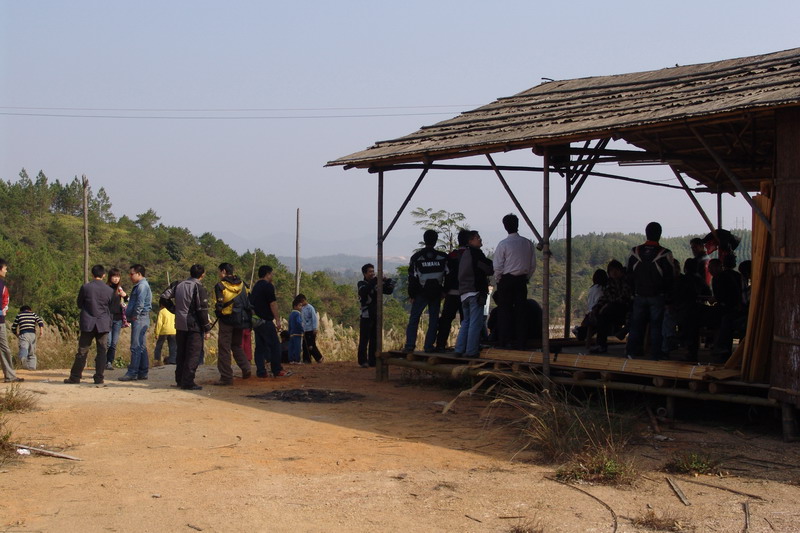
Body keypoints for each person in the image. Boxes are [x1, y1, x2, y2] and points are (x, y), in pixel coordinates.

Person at [626, 222, 675, 360]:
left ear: (646, 233)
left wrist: (632, 292)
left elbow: (628, 275)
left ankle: (631, 353)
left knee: (636, 326)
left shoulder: (635, 252)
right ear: (659, 235)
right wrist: (669, 299)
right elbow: (670, 279)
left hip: (639, 295)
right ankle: (655, 355)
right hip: (657, 296)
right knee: (656, 326)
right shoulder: (665, 254)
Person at [161, 264, 212, 390]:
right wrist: (207, 328)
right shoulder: (198, 287)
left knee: (181, 353)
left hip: (179, 324)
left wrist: (174, 309)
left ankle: (180, 379)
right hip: (194, 325)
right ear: (202, 275)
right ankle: (188, 382)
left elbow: (163, 297)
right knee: (193, 354)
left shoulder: (177, 284)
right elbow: (202, 310)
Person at [493, 214, 537, 350]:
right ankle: (521, 342)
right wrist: (526, 278)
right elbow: (532, 264)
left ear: (505, 227)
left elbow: (498, 266)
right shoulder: (527, 243)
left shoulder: (503, 244)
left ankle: (504, 341)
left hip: (506, 280)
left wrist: (499, 280)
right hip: (521, 280)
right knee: (521, 312)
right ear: (517, 224)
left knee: (504, 311)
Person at [65, 264, 114, 384]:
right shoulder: (110, 290)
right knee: (102, 351)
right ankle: (99, 378)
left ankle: (75, 377)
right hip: (103, 324)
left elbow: (79, 304)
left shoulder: (86, 288)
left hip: (88, 323)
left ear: (92, 274)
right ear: (104, 275)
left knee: (82, 350)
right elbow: (112, 307)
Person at [403, 229, 448, 354]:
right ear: (435, 241)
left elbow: (412, 277)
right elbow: (448, 275)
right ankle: (428, 347)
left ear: (424, 240)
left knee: (414, 319)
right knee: (433, 320)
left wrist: (411, 294)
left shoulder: (416, 257)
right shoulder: (443, 257)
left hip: (420, 293)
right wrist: (444, 291)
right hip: (436, 293)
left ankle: (410, 346)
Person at [455, 231, 494, 358]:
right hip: (475, 291)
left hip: (464, 293)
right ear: (470, 241)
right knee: (475, 323)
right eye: (477, 238)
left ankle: (459, 349)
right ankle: (471, 351)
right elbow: (489, 269)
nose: (480, 240)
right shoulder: (476, 254)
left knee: (466, 322)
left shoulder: (464, 254)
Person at [213, 262, 253, 385]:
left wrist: (218, 313)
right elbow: (249, 301)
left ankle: (226, 377)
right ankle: (246, 368)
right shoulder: (243, 284)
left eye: (220, 271)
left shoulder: (220, 286)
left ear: (224, 271)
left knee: (224, 347)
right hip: (240, 320)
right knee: (236, 345)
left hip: (226, 320)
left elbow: (219, 305)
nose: (219, 274)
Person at [250, 265, 289, 378]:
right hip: (266, 321)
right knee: (275, 345)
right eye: (271, 274)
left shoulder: (256, 286)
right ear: (267, 274)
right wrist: (277, 320)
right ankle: (277, 370)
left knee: (260, 347)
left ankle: (261, 372)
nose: (272, 276)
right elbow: (273, 303)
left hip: (256, 321)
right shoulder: (268, 287)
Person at [435, 229, 470, 351]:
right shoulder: (472, 255)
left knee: (446, 320)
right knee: (466, 321)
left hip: (451, 293)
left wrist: (444, 290)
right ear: (469, 241)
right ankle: (466, 346)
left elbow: (447, 275)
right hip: (467, 294)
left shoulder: (451, 256)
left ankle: (440, 344)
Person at [357, 263, 395, 368]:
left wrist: (387, 280)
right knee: (364, 339)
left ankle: (372, 361)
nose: (372, 274)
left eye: (373, 271)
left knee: (374, 339)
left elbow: (389, 290)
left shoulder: (377, 284)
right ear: (364, 273)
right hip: (366, 315)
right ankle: (363, 361)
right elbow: (364, 292)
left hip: (376, 314)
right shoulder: (361, 283)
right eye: (370, 272)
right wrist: (376, 280)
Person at [590, 260, 632, 354]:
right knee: (600, 315)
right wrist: (598, 306)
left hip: (625, 309)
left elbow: (625, 297)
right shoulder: (609, 283)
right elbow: (604, 297)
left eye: (616, 270)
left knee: (608, 310)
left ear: (621, 271)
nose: (614, 272)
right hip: (611, 310)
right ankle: (601, 345)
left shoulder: (627, 281)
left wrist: (608, 304)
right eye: (611, 270)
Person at [119, 264, 152, 381]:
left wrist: (135, 316)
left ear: (139, 274)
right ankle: (143, 371)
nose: (130, 276)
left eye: (132, 274)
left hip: (140, 318)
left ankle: (132, 372)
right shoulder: (141, 285)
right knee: (141, 346)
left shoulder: (142, 286)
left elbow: (140, 304)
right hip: (142, 318)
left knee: (135, 346)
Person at [0, 258, 23, 383]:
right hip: (0, 322)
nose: (6, 271)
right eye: (5, 268)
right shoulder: (2, 286)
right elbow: (5, 303)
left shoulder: (2, 285)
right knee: (4, 348)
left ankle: (10, 375)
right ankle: (10, 375)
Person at [574, 268, 608, 348]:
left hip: (590, 312)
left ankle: (580, 331)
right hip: (596, 311)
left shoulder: (592, 288)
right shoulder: (602, 289)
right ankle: (580, 332)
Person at [105, 268, 128, 370]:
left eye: (118, 276)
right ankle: (103, 361)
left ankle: (109, 362)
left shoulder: (120, 289)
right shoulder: (106, 288)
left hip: (118, 318)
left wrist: (125, 295)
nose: (116, 279)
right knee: (108, 342)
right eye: (114, 276)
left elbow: (128, 300)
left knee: (114, 343)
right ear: (110, 277)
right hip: (108, 318)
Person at [11, 305, 45, 370]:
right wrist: (41, 332)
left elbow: (13, 328)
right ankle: (32, 368)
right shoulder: (33, 314)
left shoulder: (19, 315)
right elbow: (40, 322)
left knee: (23, 349)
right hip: (32, 335)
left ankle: (24, 363)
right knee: (32, 352)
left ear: (21, 311)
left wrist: (17, 334)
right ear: (30, 309)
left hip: (24, 334)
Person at [297, 293, 324, 363]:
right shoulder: (302, 308)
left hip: (311, 329)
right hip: (305, 329)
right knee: (305, 345)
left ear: (303, 300)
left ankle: (319, 358)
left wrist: (315, 328)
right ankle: (306, 360)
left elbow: (314, 319)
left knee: (311, 345)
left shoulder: (310, 308)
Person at [288, 296, 304, 364]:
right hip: (297, 333)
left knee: (291, 347)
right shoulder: (298, 314)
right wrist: (303, 330)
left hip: (291, 333)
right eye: (300, 306)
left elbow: (289, 324)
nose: (301, 307)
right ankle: (297, 360)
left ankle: (291, 360)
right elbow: (299, 323)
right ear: (295, 306)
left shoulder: (291, 314)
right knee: (298, 348)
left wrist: (289, 332)